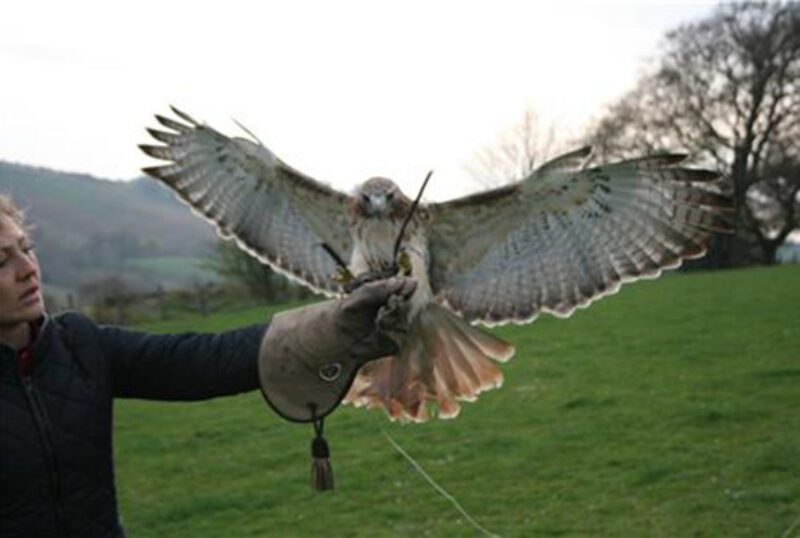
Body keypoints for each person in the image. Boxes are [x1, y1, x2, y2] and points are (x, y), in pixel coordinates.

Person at [0, 194, 415, 537]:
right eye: (3, 261)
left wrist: (335, 326)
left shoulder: (78, 347)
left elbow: (204, 359)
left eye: (27, 248)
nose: (28, 269)